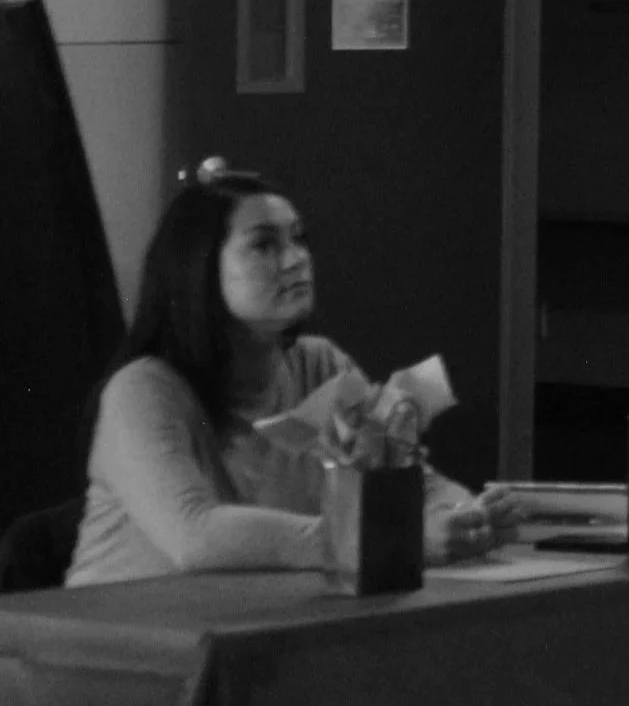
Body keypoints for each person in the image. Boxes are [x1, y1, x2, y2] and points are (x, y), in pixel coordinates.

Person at [66, 159, 521, 586]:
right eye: (264, 245)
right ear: (197, 268)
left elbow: (411, 482)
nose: (296, 258)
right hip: (111, 636)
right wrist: (384, 540)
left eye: (299, 239)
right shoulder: (142, 389)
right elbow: (194, 534)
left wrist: (468, 516)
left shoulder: (320, 365)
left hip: (250, 626)